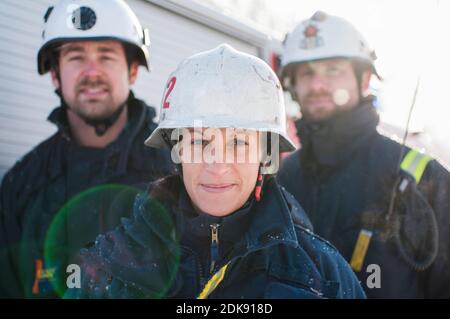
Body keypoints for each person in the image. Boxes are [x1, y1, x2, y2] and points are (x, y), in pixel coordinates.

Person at [65, 44, 366, 299]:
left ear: (265, 154)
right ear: (177, 150)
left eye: (238, 142)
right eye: (198, 140)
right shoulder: (107, 264)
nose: (218, 163)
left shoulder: (322, 276)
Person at [0, 0, 173, 298]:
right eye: (76, 57)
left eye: (106, 56)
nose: (92, 72)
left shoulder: (177, 169)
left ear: (132, 71)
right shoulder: (21, 185)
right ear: (55, 74)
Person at [277, 11, 450, 298]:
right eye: (307, 73)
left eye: (333, 69)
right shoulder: (280, 181)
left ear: (364, 78)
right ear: (292, 85)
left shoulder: (423, 180)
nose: (318, 85)